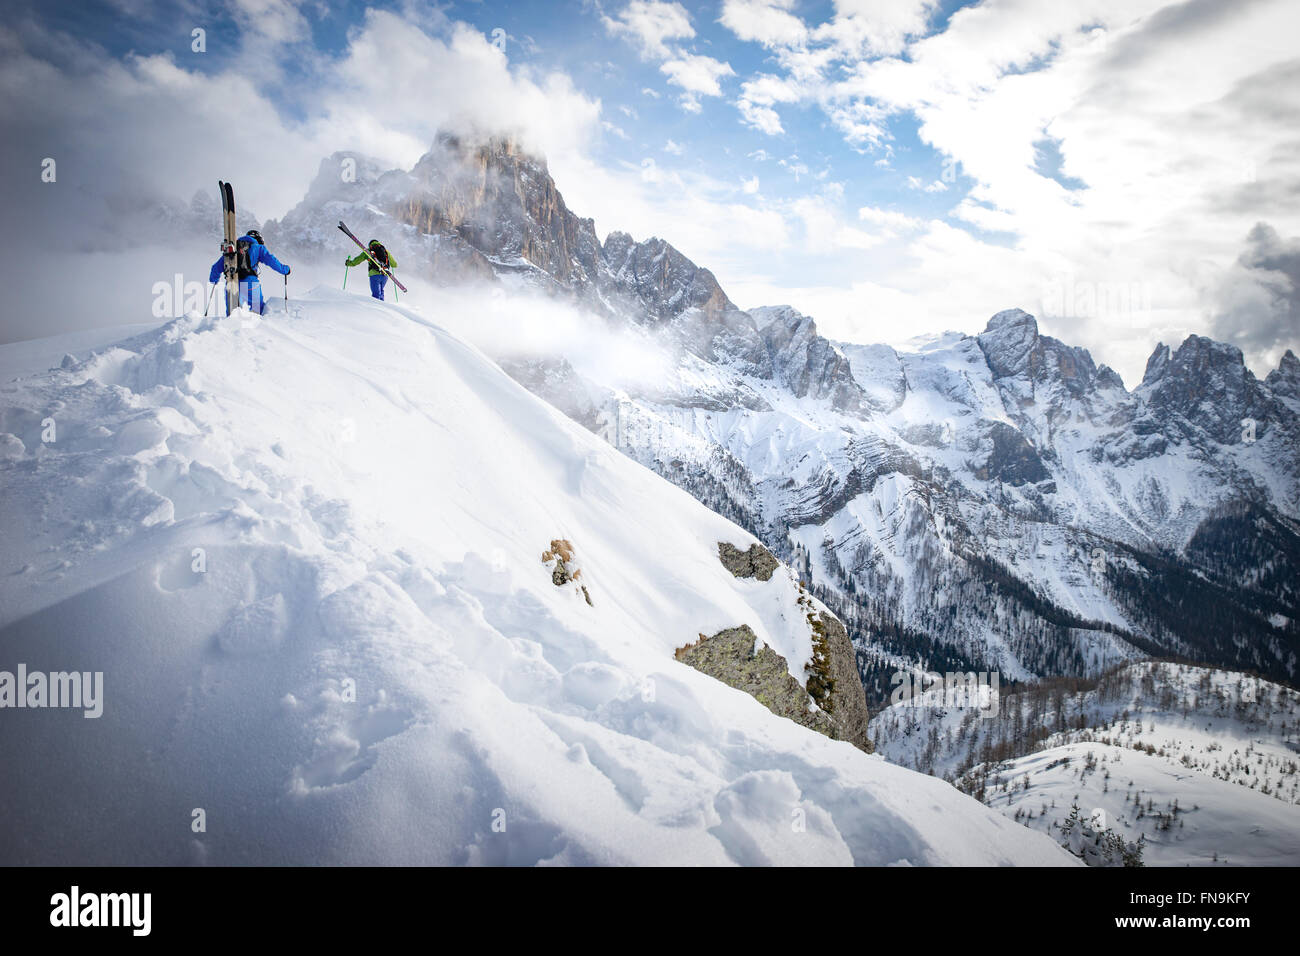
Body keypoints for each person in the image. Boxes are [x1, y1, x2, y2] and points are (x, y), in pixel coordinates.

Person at [209, 229, 290, 315]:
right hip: (250, 283)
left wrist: (214, 280)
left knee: (232, 315)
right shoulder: (258, 247)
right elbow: (272, 261)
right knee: (258, 312)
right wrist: (285, 270)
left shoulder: (233, 249)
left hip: (231, 283)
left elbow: (215, 268)